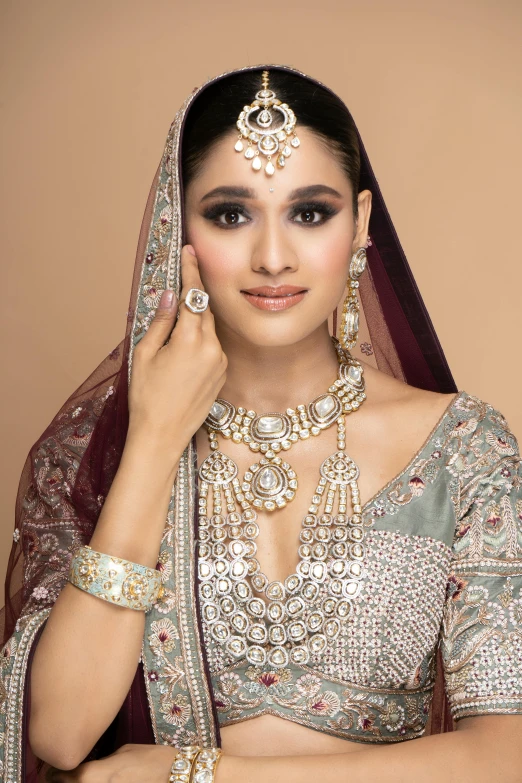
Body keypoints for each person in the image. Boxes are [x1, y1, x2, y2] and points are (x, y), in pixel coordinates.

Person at [1, 64, 521, 783]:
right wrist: (155, 441)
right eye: (230, 213)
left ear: (361, 222)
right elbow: (59, 734)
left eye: (309, 213)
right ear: (176, 229)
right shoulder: (97, 451)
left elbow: (506, 755)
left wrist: (198, 774)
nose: (273, 257)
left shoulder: (463, 449)